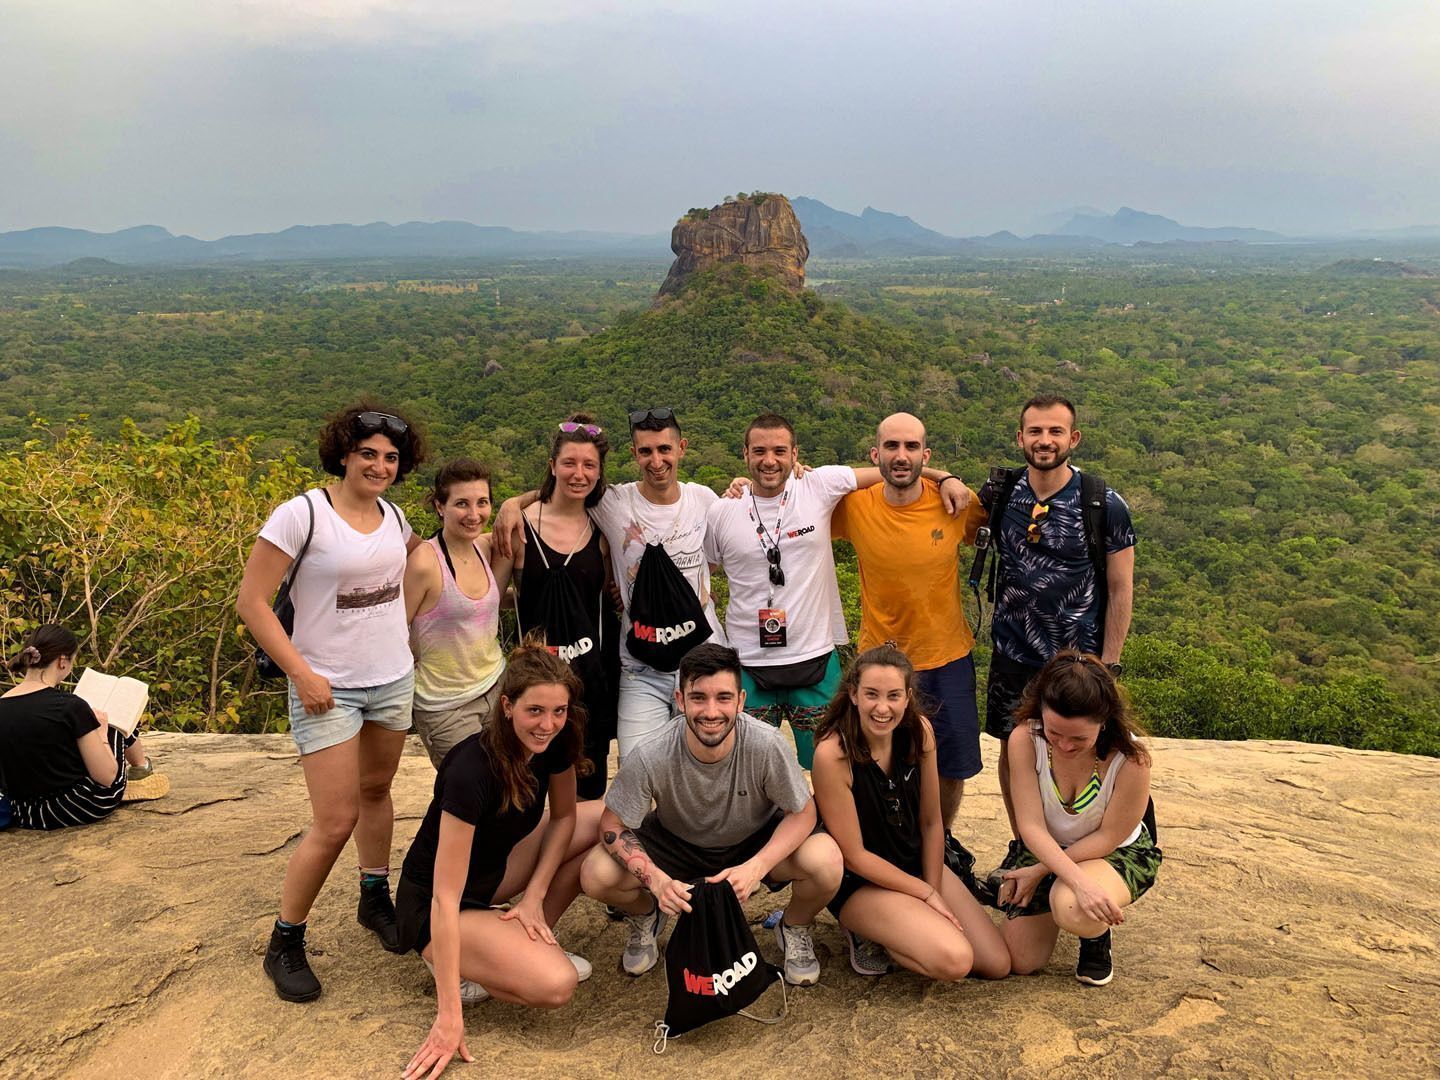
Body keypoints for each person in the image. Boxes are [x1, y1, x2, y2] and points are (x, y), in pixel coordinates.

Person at [236, 401, 427, 1002]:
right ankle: (285, 938)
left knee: (376, 792)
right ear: (343, 454)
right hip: (328, 688)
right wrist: (301, 673)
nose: (379, 465)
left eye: (390, 457)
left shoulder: (395, 518)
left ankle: (375, 895)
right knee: (335, 818)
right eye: (367, 454)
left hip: (391, 676)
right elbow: (253, 602)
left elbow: (430, 555)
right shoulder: (303, 515)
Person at [707, 412, 970, 770]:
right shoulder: (722, 511)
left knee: (831, 764)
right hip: (747, 661)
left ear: (795, 454)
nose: (769, 461)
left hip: (814, 656)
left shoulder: (819, 485)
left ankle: (826, 827)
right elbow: (702, 576)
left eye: (780, 451)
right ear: (745, 454)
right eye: (759, 451)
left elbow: (895, 468)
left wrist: (945, 476)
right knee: (743, 766)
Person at [578, 642, 844, 986]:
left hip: (753, 839)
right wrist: (656, 881)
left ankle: (794, 925)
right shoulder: (652, 752)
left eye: (723, 697)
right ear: (680, 700)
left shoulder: (766, 744)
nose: (711, 711)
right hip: (677, 842)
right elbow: (612, 824)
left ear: (741, 701)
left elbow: (803, 811)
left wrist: (757, 867)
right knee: (595, 874)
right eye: (698, 697)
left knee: (826, 861)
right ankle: (646, 915)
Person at [398, 644, 602, 1080]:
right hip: (436, 902)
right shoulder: (470, 769)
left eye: (559, 711)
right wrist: (448, 1016)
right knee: (557, 984)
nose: (547, 725)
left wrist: (533, 897)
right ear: (507, 706)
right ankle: (460, 964)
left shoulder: (558, 739)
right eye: (534, 711)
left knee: (600, 819)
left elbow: (565, 817)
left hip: (494, 873)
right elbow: (445, 896)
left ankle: (521, 937)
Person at [495, 408, 724, 760]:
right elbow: (567, 490)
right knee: (634, 766)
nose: (656, 460)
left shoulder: (705, 500)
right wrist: (513, 503)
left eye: (664, 449)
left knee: (707, 763)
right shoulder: (613, 502)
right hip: (640, 665)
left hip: (702, 658)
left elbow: (745, 521)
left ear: (682, 448)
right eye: (646, 451)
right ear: (634, 455)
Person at [981, 394, 1137, 889]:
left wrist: (1108, 664)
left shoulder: (1103, 504)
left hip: (1078, 660)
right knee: (1014, 751)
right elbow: (933, 495)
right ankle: (1024, 845)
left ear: (1073, 439)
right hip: (1013, 652)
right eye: (1034, 432)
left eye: (1054, 432)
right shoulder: (1002, 493)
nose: (1043, 441)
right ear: (1019, 438)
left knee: (1086, 752)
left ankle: (1085, 851)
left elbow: (1120, 587)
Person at [812, 644, 1010, 980]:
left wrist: (931, 886)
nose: (882, 708)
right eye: (871, 694)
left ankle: (907, 924)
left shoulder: (919, 732)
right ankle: (865, 930)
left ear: (907, 697)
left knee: (996, 964)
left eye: (893, 696)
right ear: (854, 695)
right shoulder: (834, 753)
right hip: (864, 883)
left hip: (917, 866)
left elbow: (932, 823)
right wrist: (926, 895)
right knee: (956, 960)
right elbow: (855, 856)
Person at [830, 412, 986, 827]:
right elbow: (794, 495)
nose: (902, 456)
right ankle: (885, 842)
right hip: (879, 660)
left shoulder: (953, 500)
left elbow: (1000, 528)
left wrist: (948, 478)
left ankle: (943, 838)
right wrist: (742, 488)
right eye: (892, 446)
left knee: (951, 763)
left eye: (912, 447)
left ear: (925, 454)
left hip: (946, 654)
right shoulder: (853, 505)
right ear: (875, 454)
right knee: (873, 759)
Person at [997, 651, 1161, 987]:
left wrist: (1061, 878)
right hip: (1048, 845)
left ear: (1104, 723)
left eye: (1079, 738)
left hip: (1111, 852)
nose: (1065, 745)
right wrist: (1053, 869)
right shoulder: (1025, 739)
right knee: (1020, 959)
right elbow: (1029, 825)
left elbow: (1109, 836)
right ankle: (1062, 892)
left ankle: (1095, 937)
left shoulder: (1131, 761)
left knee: (1073, 906)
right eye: (1055, 733)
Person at [488, 416, 620, 798]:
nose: (578, 473)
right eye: (569, 463)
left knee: (586, 788)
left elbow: (607, 591)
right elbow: (492, 601)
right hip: (534, 682)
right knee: (526, 790)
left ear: (599, 472)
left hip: (590, 682)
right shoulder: (518, 527)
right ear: (552, 466)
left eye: (589, 465)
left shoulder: (602, 530)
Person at [0, 624, 159, 829]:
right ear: (62, 661)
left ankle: (140, 769)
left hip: (26, 813)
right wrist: (102, 731)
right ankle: (141, 769)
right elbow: (106, 776)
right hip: (78, 806)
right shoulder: (69, 706)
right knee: (114, 721)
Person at [405, 458, 508, 770]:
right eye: (461, 503)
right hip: (446, 706)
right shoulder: (424, 563)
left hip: (496, 687)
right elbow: (395, 632)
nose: (474, 514)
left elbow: (486, 604)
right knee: (468, 794)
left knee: (506, 786)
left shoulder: (484, 546)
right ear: (440, 506)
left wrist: (516, 503)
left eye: (482, 503)